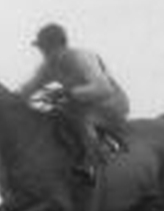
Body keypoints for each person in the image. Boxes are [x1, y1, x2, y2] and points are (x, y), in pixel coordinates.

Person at [18, 23, 130, 184]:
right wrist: (10, 100)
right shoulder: (48, 66)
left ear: (60, 45)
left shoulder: (82, 57)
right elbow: (29, 88)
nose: (44, 53)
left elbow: (104, 88)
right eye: (42, 49)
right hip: (84, 104)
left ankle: (90, 165)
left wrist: (69, 93)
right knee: (54, 114)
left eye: (47, 48)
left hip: (112, 102)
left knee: (79, 116)